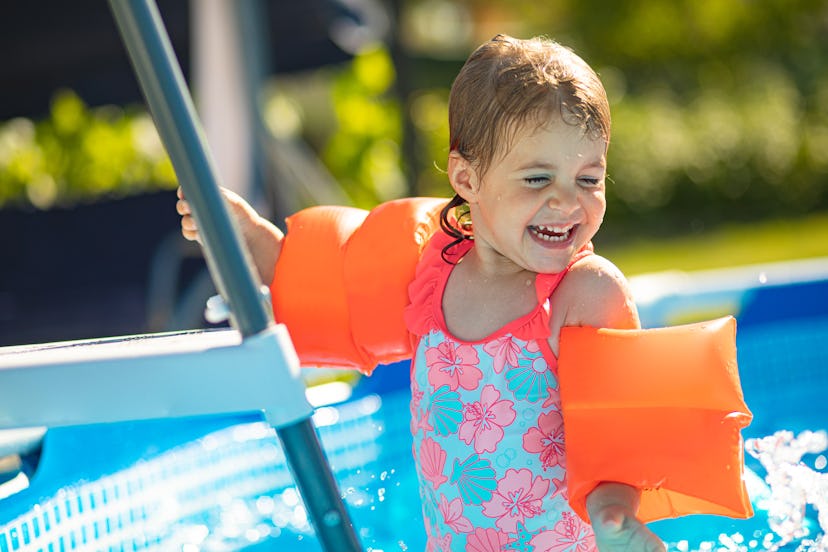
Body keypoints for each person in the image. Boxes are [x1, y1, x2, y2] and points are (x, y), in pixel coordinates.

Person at [178, 34, 665, 551]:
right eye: (538, 178)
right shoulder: (431, 273)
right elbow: (330, 290)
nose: (567, 201)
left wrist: (615, 515)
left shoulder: (582, 293)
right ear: (467, 178)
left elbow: (615, 431)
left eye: (589, 178)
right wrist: (253, 243)